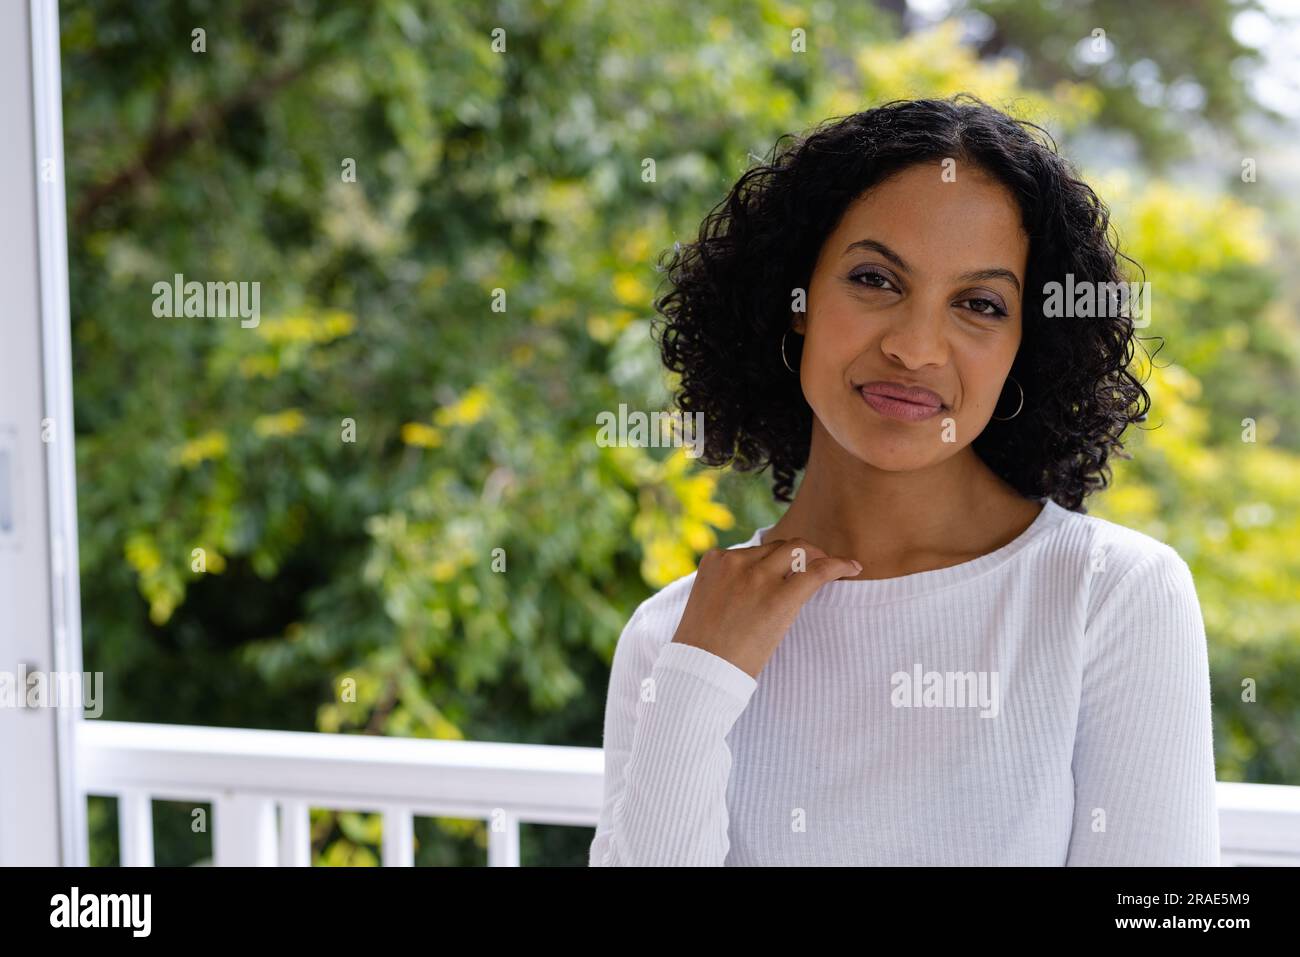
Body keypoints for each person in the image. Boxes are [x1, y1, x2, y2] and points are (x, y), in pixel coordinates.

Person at [588, 95, 1219, 866]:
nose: (916, 347)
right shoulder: (674, 634)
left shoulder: (1110, 595)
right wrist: (698, 679)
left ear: (1027, 343)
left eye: (980, 304)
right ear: (798, 299)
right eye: (875, 279)